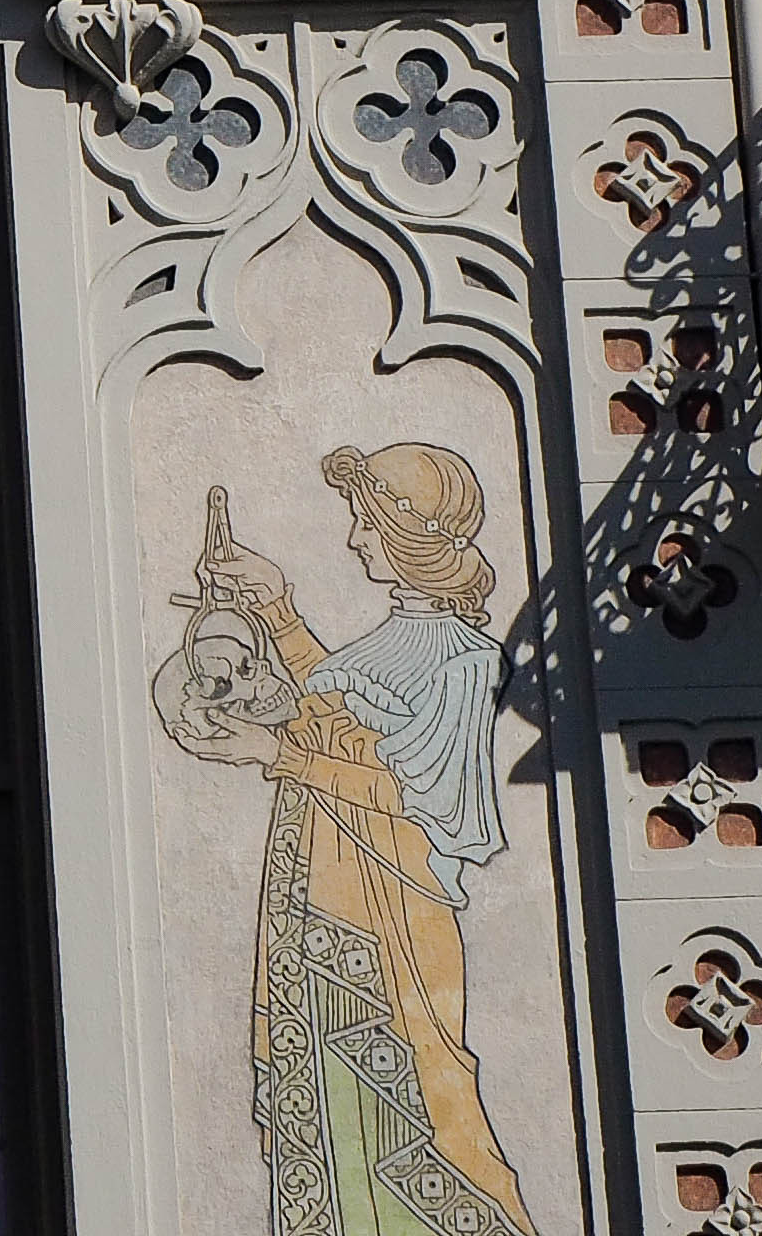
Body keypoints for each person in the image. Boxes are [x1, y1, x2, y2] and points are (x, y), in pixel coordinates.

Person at [155, 445, 537, 1236]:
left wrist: (278, 754)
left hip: (386, 925)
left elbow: (416, 802)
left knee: (411, 1115)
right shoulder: (397, 635)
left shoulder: (467, 661)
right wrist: (275, 607)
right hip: (317, 906)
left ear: (410, 534)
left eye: (368, 521)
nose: (357, 538)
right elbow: (340, 714)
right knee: (330, 1125)